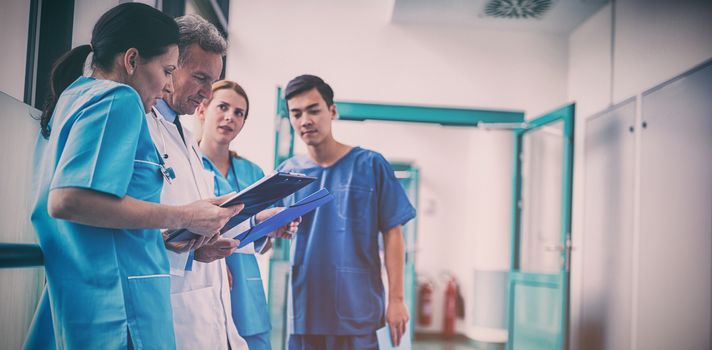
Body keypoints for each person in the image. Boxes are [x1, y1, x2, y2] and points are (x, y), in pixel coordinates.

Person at [26, 4, 241, 349]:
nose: (168, 83)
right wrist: (187, 216)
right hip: (121, 302)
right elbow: (68, 200)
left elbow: (99, 216)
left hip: (88, 291)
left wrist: (173, 238)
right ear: (131, 61)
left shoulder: (73, 97)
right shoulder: (119, 97)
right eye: (168, 69)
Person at [148, 15, 292, 349]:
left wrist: (265, 224)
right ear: (170, 65)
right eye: (201, 79)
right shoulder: (152, 130)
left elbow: (210, 229)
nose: (230, 117)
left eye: (239, 112)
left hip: (229, 293)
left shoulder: (187, 146)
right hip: (182, 291)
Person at [278, 75, 416, 349]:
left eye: (314, 109)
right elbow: (267, 235)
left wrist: (397, 299)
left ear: (332, 111)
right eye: (296, 113)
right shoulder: (287, 174)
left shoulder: (370, 165)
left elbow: (393, 233)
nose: (305, 120)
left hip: (359, 313)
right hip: (307, 313)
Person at [196, 80, 296, 349]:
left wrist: (273, 228)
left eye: (239, 113)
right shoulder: (186, 164)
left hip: (246, 295)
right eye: (223, 107)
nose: (230, 117)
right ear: (202, 109)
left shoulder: (253, 173)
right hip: (200, 287)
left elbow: (262, 245)